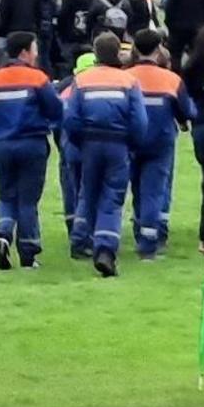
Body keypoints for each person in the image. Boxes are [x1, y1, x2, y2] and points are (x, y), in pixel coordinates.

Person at [64, 32, 148, 277]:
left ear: (95, 53)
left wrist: (81, 141)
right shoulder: (128, 81)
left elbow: (70, 119)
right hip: (118, 144)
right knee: (112, 197)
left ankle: (80, 239)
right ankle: (105, 250)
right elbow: (139, 121)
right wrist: (132, 144)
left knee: (87, 191)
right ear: (118, 54)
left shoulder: (81, 81)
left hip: (89, 143)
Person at [0, 32, 64, 270]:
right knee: (28, 200)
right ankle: (28, 254)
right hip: (32, 143)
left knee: (5, 195)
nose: (36, 54)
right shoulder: (37, 78)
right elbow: (56, 109)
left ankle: (3, 232)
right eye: (35, 49)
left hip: (2, 145)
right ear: (25, 52)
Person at [128, 29, 195, 258]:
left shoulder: (126, 77)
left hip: (131, 141)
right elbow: (187, 111)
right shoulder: (171, 79)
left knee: (136, 188)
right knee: (154, 191)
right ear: (158, 50)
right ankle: (149, 243)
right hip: (161, 141)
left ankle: (139, 229)